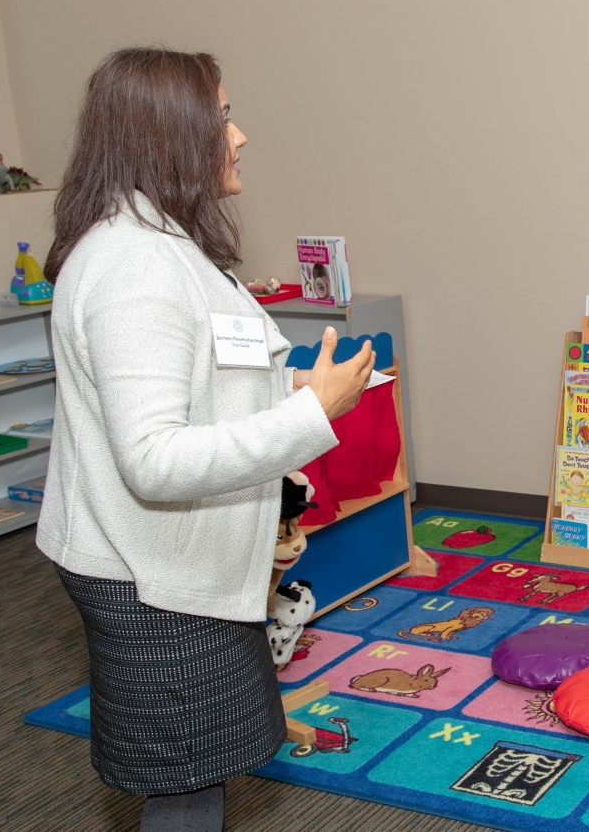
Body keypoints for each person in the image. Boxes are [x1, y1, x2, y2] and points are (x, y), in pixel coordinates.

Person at [37, 48, 374, 831]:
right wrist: (308, 415)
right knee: (188, 778)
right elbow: (153, 460)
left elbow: (196, 378)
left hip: (174, 567)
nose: (241, 135)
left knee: (207, 763)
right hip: (150, 578)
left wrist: (289, 389)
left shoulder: (159, 243)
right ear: (170, 135)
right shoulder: (134, 269)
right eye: (223, 118)